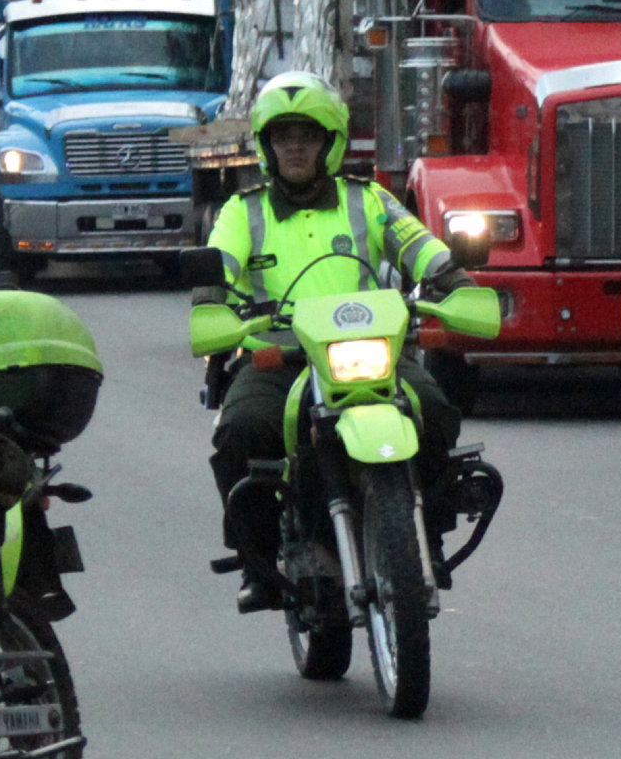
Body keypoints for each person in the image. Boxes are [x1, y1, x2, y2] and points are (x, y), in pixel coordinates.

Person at [193, 71, 475, 611]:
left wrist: (455, 282)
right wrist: (210, 298)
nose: (295, 146)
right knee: (241, 430)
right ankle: (257, 560)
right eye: (283, 136)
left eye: (307, 135)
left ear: (330, 141)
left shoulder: (368, 200)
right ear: (267, 145)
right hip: (281, 358)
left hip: (371, 353)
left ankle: (428, 540)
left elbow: (419, 246)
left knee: (434, 409)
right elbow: (221, 264)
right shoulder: (242, 211)